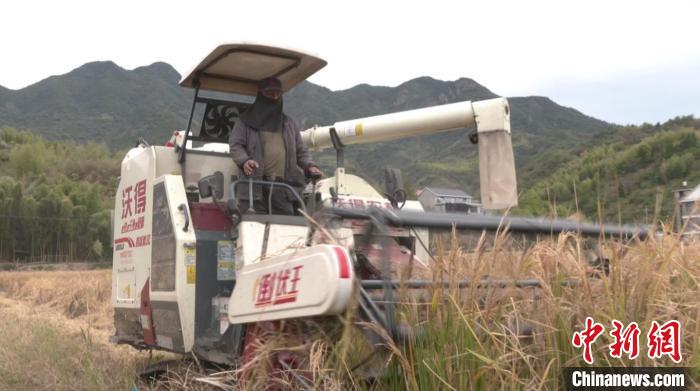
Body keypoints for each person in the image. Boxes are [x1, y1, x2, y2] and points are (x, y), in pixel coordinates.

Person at [229, 77, 323, 215]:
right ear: (261, 95)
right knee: (254, 227)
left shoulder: (289, 124)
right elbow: (236, 145)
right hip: (254, 186)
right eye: (270, 93)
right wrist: (244, 161)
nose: (274, 97)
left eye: (278, 94)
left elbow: (301, 150)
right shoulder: (244, 121)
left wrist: (310, 166)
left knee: (285, 230)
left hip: (283, 188)